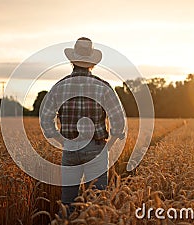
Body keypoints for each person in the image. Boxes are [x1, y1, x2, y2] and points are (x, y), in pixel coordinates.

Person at [40, 37, 125, 216]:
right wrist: (108, 145)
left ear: (72, 61)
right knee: (98, 202)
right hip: (96, 148)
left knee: (67, 202)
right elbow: (118, 120)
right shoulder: (103, 86)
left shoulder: (59, 86)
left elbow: (45, 118)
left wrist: (61, 140)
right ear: (92, 63)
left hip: (70, 148)